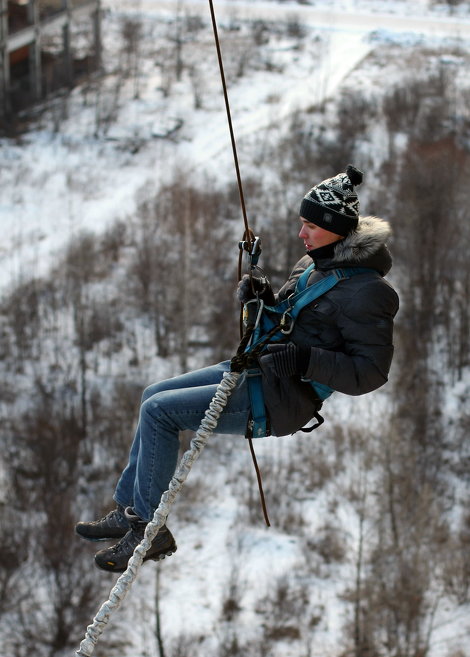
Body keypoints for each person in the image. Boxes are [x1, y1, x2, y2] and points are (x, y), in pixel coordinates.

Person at [76, 165, 399, 572]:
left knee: (160, 413)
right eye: (302, 224)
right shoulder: (313, 266)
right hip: (257, 369)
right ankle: (130, 509)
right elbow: (285, 318)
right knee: (152, 395)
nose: (302, 234)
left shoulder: (370, 293)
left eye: (311, 227)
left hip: (280, 397)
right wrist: (260, 296)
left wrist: (305, 360)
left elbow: (371, 372)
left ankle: (148, 529)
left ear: (338, 229)